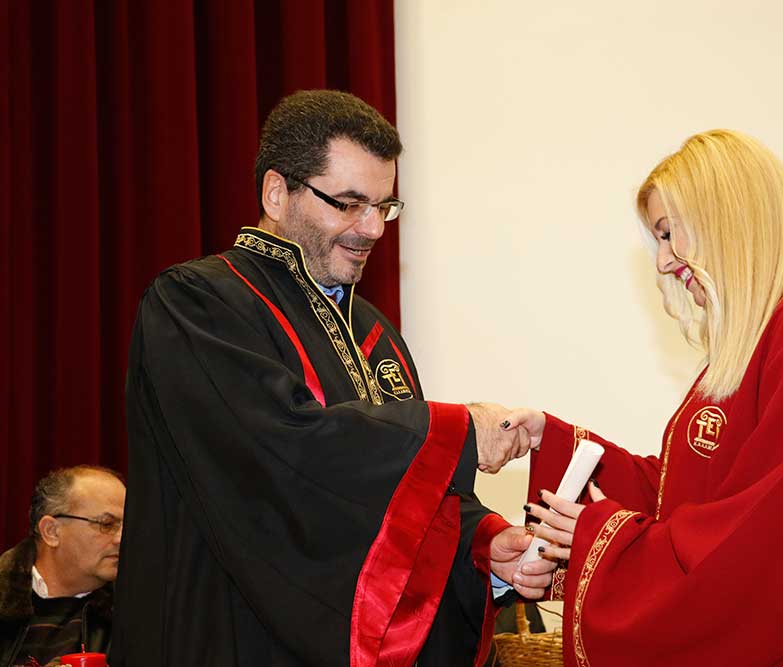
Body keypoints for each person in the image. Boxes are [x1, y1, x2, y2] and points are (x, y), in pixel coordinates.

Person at [114, 90, 552, 667]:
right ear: (276, 192)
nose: (372, 228)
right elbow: (280, 457)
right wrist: (458, 429)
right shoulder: (195, 303)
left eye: (384, 206)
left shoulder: (373, 330)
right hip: (227, 637)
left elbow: (396, 495)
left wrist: (483, 544)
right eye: (348, 204)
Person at [504, 130, 783, 666]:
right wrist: (555, 443)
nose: (662, 262)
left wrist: (602, 538)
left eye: (668, 234)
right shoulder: (768, 331)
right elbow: (691, 495)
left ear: (722, 216)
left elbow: (773, 537)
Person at [1, 466, 126, 667]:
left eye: (126, 526)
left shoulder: (137, 609)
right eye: (107, 524)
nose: (121, 539)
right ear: (51, 531)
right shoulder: (5, 597)